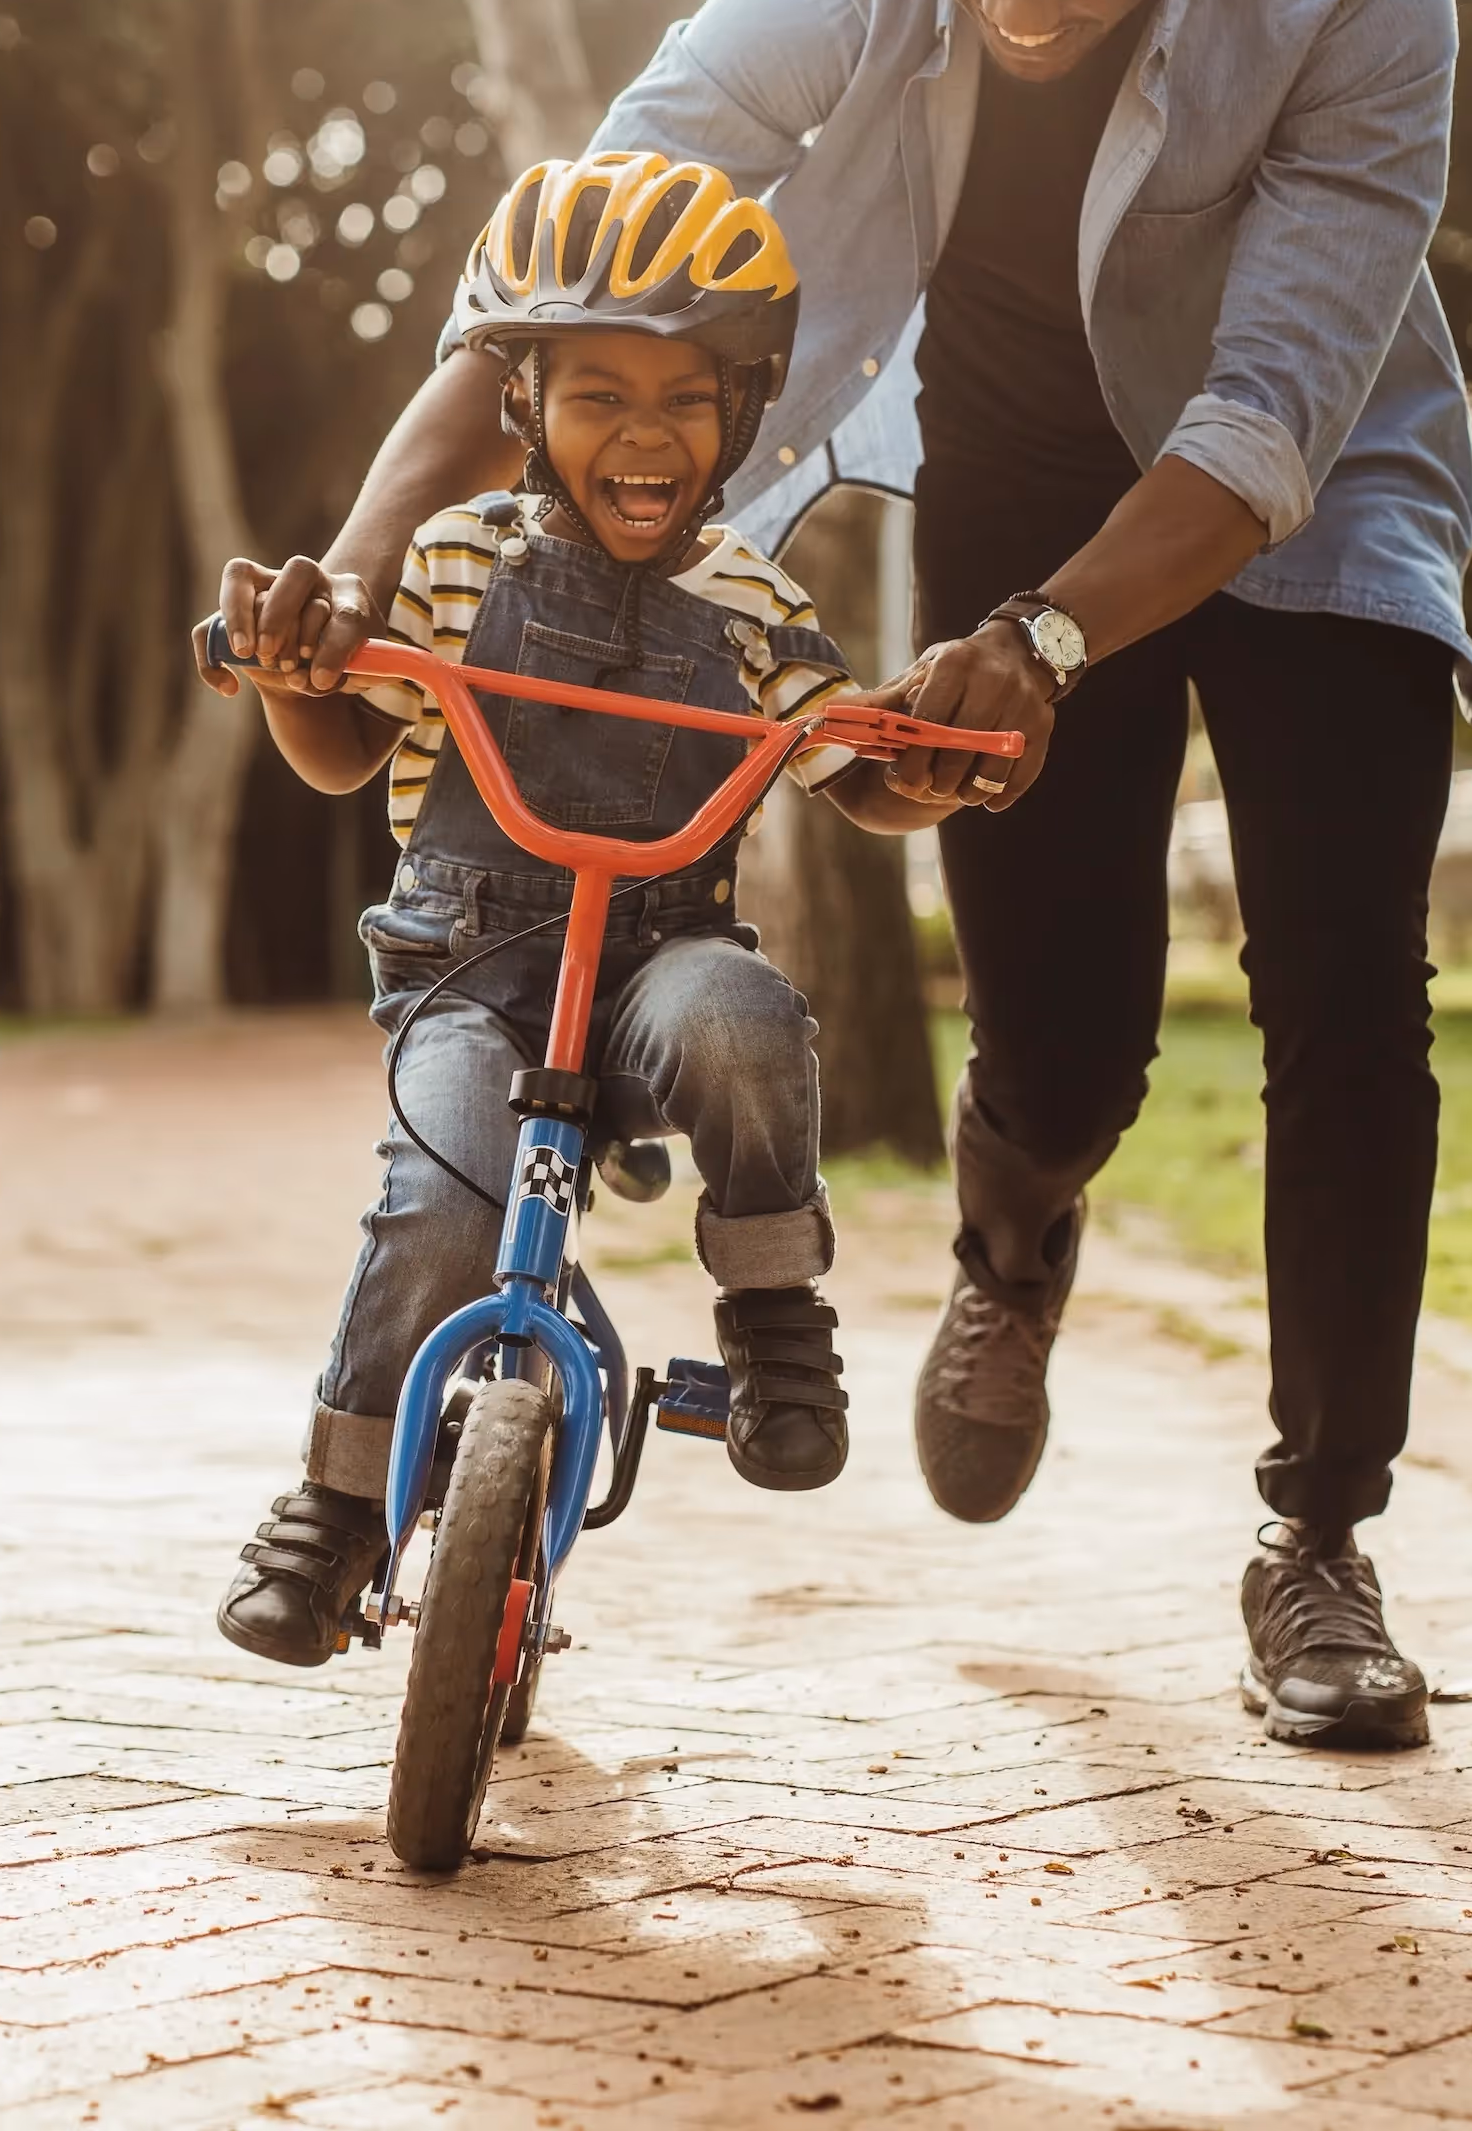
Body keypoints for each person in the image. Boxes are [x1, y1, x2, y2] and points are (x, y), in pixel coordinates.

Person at [239, 0, 1472, 1750]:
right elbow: (578, 264)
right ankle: (1017, 1241)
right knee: (1068, 1033)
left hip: (1310, 485)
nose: (1017, 9)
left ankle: (1320, 1539)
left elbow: (1273, 406)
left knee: (1348, 983)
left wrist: (1058, 643)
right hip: (1016, 468)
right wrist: (364, 553)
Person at [204, 151, 959, 1671]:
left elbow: (847, 767)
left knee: (744, 1025)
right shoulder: (448, 559)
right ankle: (339, 1507)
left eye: (688, 399)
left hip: (655, 965)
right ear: (523, 406)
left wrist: (927, 765)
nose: (645, 433)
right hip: (468, 972)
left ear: (743, 413)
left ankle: (771, 1319)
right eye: (598, 393)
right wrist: (296, 677)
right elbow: (348, 743)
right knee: (443, 1199)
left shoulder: (752, 600)